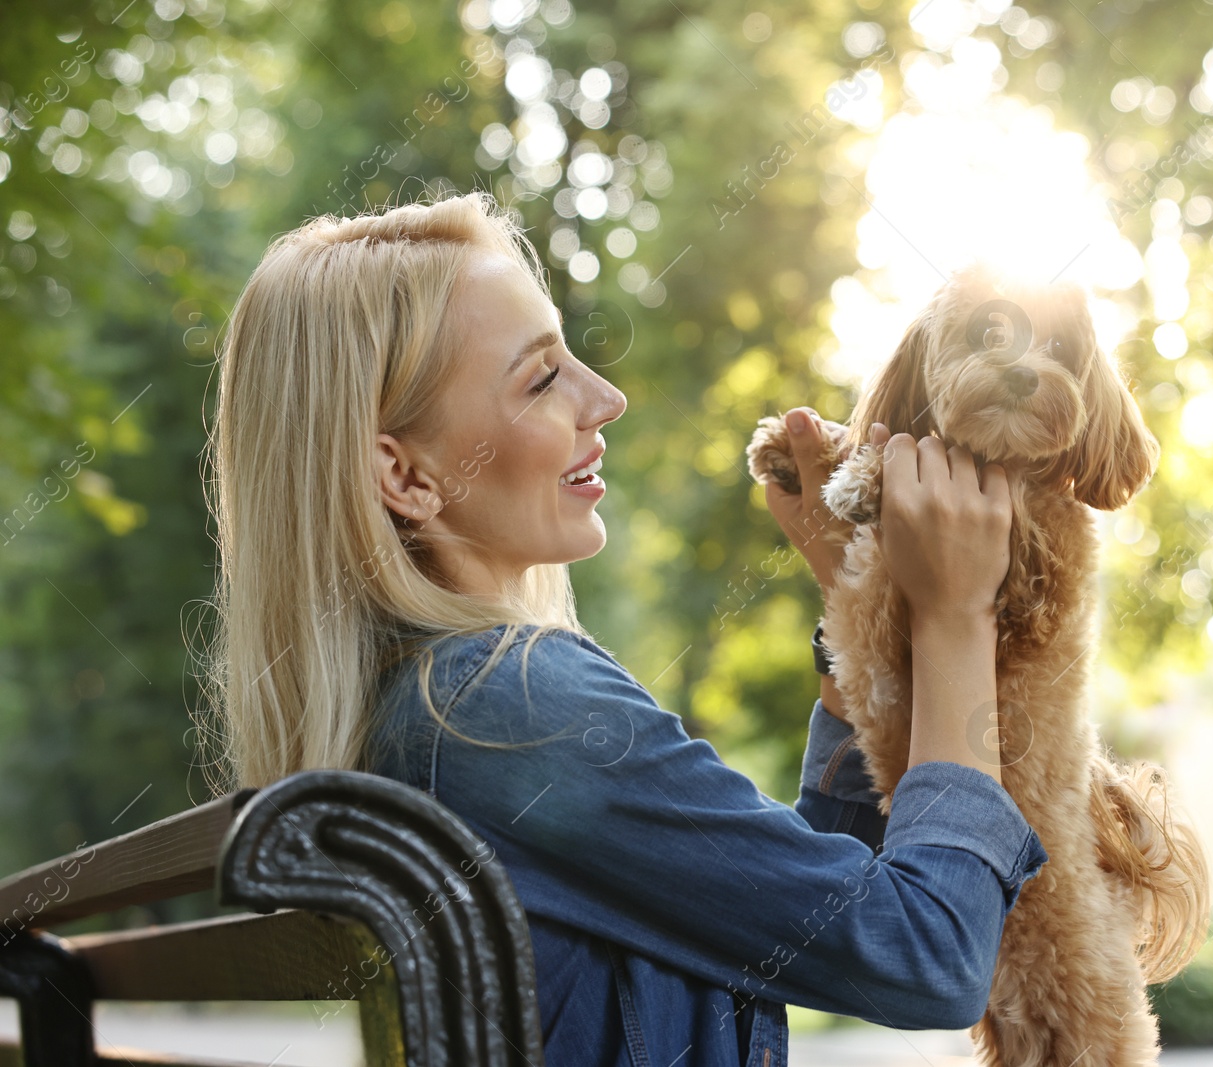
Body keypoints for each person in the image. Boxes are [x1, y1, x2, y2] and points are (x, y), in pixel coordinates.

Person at [200, 191, 1047, 1066]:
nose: (605, 397)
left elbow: (820, 916)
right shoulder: (505, 706)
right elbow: (926, 957)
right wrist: (954, 618)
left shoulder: (410, 713)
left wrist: (855, 612)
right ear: (405, 476)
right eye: (541, 378)